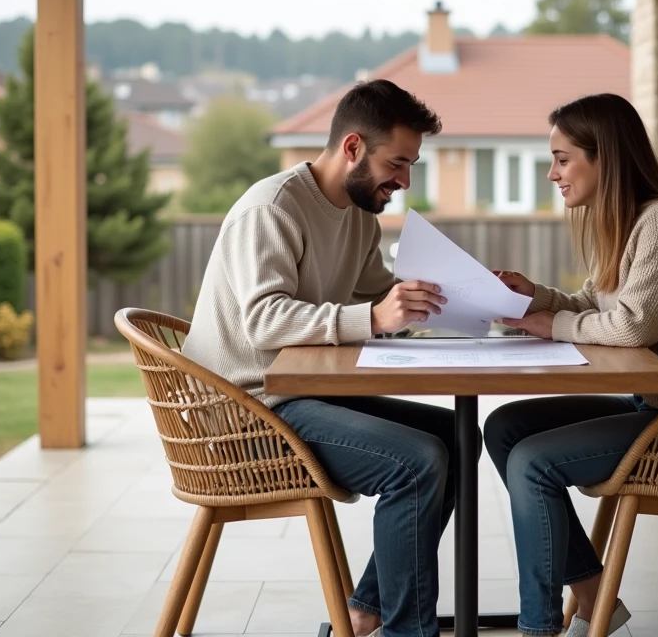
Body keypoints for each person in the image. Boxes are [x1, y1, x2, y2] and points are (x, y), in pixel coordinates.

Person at [182, 79, 467, 637]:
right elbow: (266, 322)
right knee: (416, 462)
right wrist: (375, 318)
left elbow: (379, 299)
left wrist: (467, 301)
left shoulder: (358, 216)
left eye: (411, 165)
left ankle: (364, 613)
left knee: (457, 438)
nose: (405, 182)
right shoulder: (271, 209)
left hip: (298, 393)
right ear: (353, 147)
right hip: (247, 413)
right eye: (397, 163)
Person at [485, 93, 658, 637]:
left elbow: (633, 327)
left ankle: (539, 627)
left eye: (562, 159)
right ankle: (596, 599)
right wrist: (536, 297)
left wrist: (552, 324)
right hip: (654, 405)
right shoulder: (626, 222)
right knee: (505, 427)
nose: (553, 174)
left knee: (532, 463)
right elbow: (596, 306)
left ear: (606, 158)